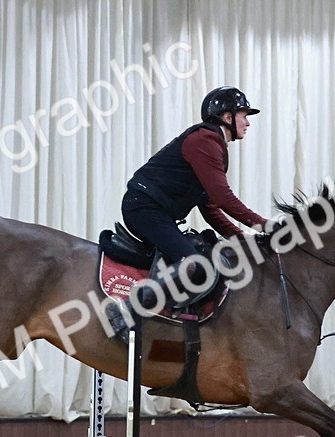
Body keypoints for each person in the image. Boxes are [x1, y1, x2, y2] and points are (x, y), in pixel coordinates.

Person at [109, 86, 269, 340]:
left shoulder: (212, 144)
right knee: (193, 263)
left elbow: (210, 207)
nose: (248, 122)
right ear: (227, 117)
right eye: (244, 115)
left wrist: (242, 239)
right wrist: (264, 225)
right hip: (144, 207)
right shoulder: (205, 141)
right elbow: (222, 197)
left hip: (151, 208)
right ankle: (126, 310)